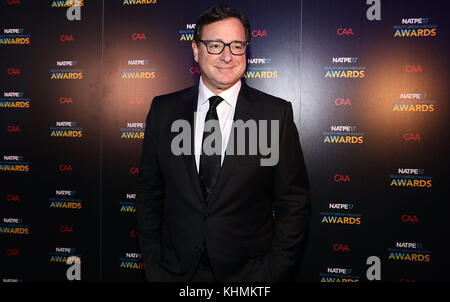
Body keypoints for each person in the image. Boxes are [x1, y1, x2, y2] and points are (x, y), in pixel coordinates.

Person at [135, 5, 310, 282]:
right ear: (196, 50)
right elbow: (148, 194)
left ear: (246, 51)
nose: (227, 56)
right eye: (215, 45)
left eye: (237, 45)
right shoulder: (163, 111)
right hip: (175, 272)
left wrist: (273, 272)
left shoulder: (275, 114)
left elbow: (293, 202)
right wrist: (155, 266)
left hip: (249, 276)